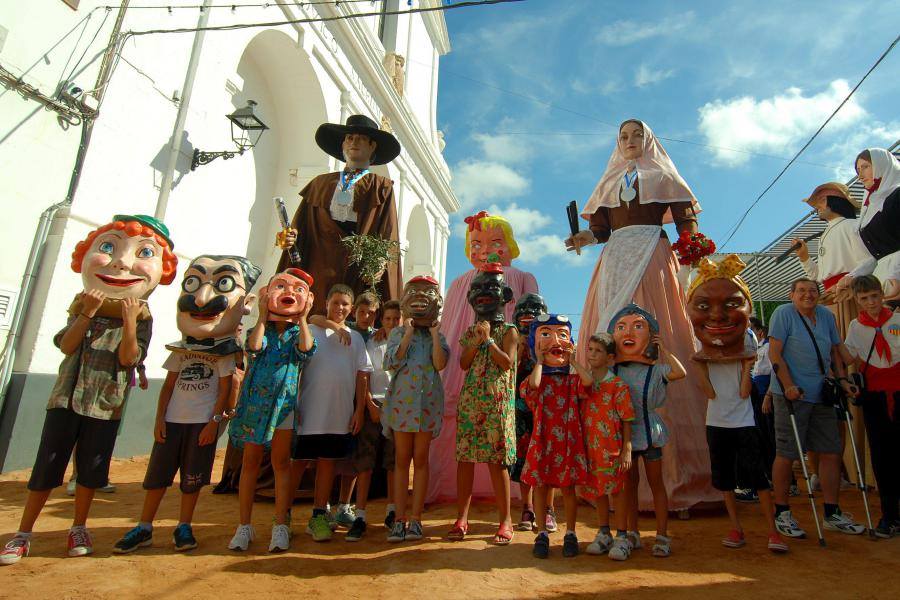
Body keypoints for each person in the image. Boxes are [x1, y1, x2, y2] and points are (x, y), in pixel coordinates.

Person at [0, 215, 176, 565]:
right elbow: (66, 346)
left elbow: (130, 358)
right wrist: (87, 314)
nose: (121, 262)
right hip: (66, 399)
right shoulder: (83, 303)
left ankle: (78, 527)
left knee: (90, 472)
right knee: (46, 469)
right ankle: (23, 534)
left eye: (140, 253)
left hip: (106, 405)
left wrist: (129, 321)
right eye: (108, 248)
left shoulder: (142, 316)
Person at [565, 119, 717, 514]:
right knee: (608, 335)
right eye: (624, 136)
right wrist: (582, 237)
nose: (630, 141)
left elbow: (686, 218)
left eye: (637, 135)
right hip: (615, 258)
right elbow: (599, 227)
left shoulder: (664, 175)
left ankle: (674, 474)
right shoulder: (608, 180)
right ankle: (603, 471)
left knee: (657, 330)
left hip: (652, 253)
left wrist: (693, 244)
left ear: (648, 140)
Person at [114, 255, 259, 554]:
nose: (203, 298)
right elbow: (168, 386)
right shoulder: (180, 350)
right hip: (172, 421)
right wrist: (159, 419)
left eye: (222, 284)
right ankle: (144, 525)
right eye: (193, 282)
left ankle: (184, 525)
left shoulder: (226, 354)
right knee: (156, 477)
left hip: (201, 424)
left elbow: (225, 389)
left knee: (192, 480)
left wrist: (215, 422)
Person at [428, 210, 538, 505]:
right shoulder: (459, 284)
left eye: (494, 242)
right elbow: (451, 328)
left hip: (505, 376)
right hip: (469, 380)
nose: (486, 250)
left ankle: (520, 502)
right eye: (476, 244)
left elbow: (533, 323)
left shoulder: (520, 277)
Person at [686, 255, 788, 554]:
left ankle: (773, 530)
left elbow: (744, 392)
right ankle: (736, 527)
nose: (717, 317)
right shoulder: (699, 348)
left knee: (758, 479)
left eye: (731, 304)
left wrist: (745, 366)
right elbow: (710, 394)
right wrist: (701, 366)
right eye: (704, 306)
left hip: (744, 421)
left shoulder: (748, 343)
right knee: (725, 480)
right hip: (716, 422)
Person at [226, 268, 316, 553]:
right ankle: (244, 526)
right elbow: (253, 348)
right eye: (281, 287)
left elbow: (307, 350)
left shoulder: (296, 333)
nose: (289, 293)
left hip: (284, 406)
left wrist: (302, 319)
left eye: (298, 290)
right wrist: (263, 316)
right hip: (255, 405)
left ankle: (280, 525)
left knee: (281, 464)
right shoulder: (259, 330)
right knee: (250, 464)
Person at [767, 278, 864, 538]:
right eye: (801, 291)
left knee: (831, 451)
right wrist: (787, 385)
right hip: (791, 395)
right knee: (787, 453)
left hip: (822, 392)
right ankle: (782, 512)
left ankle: (832, 512)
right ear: (792, 295)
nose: (808, 295)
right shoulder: (783, 314)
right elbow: (774, 354)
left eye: (812, 291)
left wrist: (843, 381)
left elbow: (834, 352)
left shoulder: (825, 316)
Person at [277, 115, 402, 314]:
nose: (354, 142)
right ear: (343, 145)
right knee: (314, 310)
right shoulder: (319, 183)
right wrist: (290, 237)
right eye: (349, 138)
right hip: (320, 258)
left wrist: (381, 261)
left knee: (351, 314)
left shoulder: (381, 186)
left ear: (373, 147)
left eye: (361, 139)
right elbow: (301, 224)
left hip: (357, 264)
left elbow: (388, 229)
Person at [291, 284, 372, 542]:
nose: (340, 308)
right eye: (336, 302)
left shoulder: (356, 338)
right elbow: (296, 369)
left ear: (351, 308)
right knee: (297, 465)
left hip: (339, 416)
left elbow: (362, 376)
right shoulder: (311, 329)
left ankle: (318, 517)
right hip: (307, 413)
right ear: (326, 302)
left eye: (345, 304)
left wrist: (359, 410)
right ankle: (281, 518)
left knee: (327, 464)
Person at [609, 303, 686, 558]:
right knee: (629, 486)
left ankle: (662, 535)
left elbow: (680, 372)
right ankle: (632, 532)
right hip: (625, 438)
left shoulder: (656, 370)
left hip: (651, 435)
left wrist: (663, 348)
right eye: (621, 327)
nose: (628, 332)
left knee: (656, 485)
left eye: (637, 326)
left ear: (650, 334)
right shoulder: (614, 371)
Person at [448, 264, 518, 545]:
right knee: (465, 460)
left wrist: (489, 339)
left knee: (497, 463)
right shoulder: (469, 332)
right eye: (477, 290)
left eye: (490, 289)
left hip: (497, 406)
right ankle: (461, 517)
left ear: (505, 295)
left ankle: (505, 520)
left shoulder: (510, 331)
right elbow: (463, 363)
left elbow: (507, 363)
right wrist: (477, 341)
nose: (483, 295)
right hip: (471, 404)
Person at [312, 291, 384, 538]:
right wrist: (334, 324)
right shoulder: (347, 329)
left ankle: (344, 504)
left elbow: (365, 373)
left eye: (371, 313)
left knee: (354, 459)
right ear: (355, 312)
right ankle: (325, 507)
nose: (366, 317)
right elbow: (314, 318)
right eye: (362, 312)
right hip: (341, 404)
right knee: (331, 459)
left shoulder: (377, 336)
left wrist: (364, 407)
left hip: (360, 407)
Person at [383, 277, 448, 542]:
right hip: (402, 406)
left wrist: (433, 334)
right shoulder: (397, 334)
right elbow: (392, 362)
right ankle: (399, 518)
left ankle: (416, 519)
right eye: (415, 292)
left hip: (427, 406)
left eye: (428, 292)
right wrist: (408, 332)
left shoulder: (439, 337)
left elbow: (440, 363)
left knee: (420, 460)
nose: (421, 296)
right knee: (401, 460)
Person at [520, 314, 589, 559]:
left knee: (569, 489)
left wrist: (574, 361)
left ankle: (571, 533)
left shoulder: (572, 380)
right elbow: (534, 386)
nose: (555, 341)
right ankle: (542, 534)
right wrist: (539, 360)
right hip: (543, 441)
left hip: (568, 442)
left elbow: (589, 382)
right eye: (545, 335)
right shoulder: (536, 378)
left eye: (562, 334)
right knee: (541, 488)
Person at [844, 275, 900, 537]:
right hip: (874, 398)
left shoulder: (897, 319)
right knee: (881, 456)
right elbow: (847, 356)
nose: (871, 302)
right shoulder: (856, 327)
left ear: (882, 294)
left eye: (874, 296)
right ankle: (890, 516)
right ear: (857, 300)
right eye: (864, 298)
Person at [574, 334, 634, 561]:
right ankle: (603, 532)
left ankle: (622, 536)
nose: (591, 354)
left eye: (597, 351)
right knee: (598, 489)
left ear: (610, 358)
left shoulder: (618, 386)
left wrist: (627, 448)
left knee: (617, 491)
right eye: (589, 349)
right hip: (590, 448)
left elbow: (627, 418)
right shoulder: (583, 381)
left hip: (613, 448)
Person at [792, 181, 875, 336]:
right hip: (831, 299)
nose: (817, 207)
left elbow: (870, 260)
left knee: (856, 343)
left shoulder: (852, 225)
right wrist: (804, 258)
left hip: (850, 295)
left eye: (821, 200)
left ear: (836, 201)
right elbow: (818, 276)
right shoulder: (824, 236)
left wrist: (849, 279)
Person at [509, 294, 558, 533]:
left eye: (535, 309)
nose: (528, 313)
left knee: (546, 460)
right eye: (523, 309)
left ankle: (548, 510)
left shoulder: (550, 340)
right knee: (523, 460)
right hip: (519, 411)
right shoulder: (511, 339)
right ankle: (527, 508)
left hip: (546, 410)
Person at [370, 299, 402, 530]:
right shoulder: (372, 339)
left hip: (397, 408)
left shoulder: (407, 339)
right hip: (374, 403)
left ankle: (393, 509)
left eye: (396, 319)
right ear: (382, 320)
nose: (391, 323)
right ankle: (357, 511)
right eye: (387, 319)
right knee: (365, 460)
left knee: (393, 461)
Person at [855, 148, 900, 264]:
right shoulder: (870, 207)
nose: (860, 176)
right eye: (858, 170)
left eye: (865, 167)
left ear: (882, 164)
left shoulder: (897, 195)